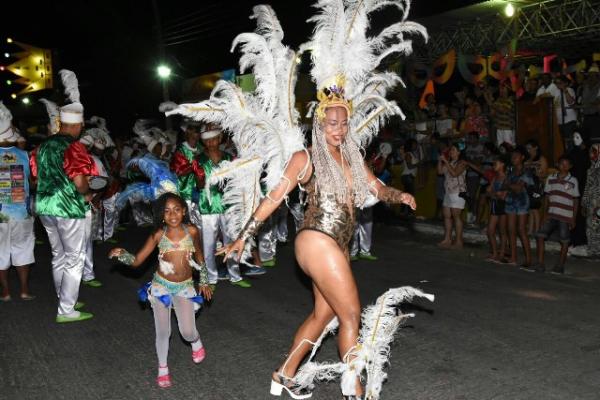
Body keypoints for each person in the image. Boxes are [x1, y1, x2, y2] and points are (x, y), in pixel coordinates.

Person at [109, 193, 212, 388]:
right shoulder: (158, 235)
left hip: (184, 287)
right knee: (163, 331)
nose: (172, 214)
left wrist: (204, 281)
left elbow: (200, 257)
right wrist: (123, 254)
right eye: (167, 211)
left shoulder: (192, 231)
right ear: (161, 215)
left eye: (176, 210)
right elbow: (137, 261)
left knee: (188, 332)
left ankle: (196, 341)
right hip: (161, 286)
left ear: (184, 211)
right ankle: (163, 368)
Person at [33, 70, 98, 323]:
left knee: (58, 255)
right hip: (68, 207)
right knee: (75, 258)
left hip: (45, 206)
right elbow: (80, 183)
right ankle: (67, 309)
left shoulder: (45, 144)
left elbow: (37, 176)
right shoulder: (74, 146)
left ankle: (64, 296)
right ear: (78, 124)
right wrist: (89, 192)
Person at [197, 126, 252, 288]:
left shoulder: (229, 157)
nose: (211, 142)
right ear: (204, 142)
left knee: (232, 240)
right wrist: (201, 179)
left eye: (214, 138)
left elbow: (237, 180)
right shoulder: (198, 159)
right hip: (208, 204)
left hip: (228, 204)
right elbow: (199, 184)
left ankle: (235, 274)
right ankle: (211, 278)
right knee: (208, 243)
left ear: (220, 139)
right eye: (207, 140)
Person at [0, 102, 35, 301]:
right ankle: (24, 290)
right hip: (22, 213)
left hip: (0, 215)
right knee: (23, 251)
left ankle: (5, 293)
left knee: (0, 252)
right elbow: (33, 182)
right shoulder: (24, 155)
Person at [527, 156, 579, 274]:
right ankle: (540, 264)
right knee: (540, 235)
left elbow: (576, 200)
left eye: (566, 164)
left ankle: (560, 265)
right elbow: (546, 197)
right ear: (557, 164)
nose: (564, 166)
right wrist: (545, 213)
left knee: (565, 241)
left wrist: (573, 218)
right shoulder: (551, 178)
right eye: (562, 164)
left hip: (565, 216)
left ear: (570, 166)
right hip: (551, 214)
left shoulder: (573, 180)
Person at [169, 119, 204, 233]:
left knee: (199, 218)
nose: (197, 134)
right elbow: (180, 171)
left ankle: (198, 243)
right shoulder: (181, 150)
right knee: (186, 219)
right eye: (194, 132)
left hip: (199, 189)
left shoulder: (201, 148)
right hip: (185, 191)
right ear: (188, 133)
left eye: (198, 132)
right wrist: (194, 165)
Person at [506, 146, 533, 267]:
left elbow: (518, 188)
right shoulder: (511, 171)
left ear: (522, 157)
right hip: (511, 201)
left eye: (516, 156)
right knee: (511, 230)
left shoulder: (526, 171)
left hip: (522, 202)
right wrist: (510, 185)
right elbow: (509, 186)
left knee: (521, 230)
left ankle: (528, 258)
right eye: (512, 157)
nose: (513, 158)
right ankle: (513, 257)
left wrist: (508, 185)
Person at [437, 143, 467, 249]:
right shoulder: (450, 162)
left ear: (459, 152)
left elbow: (455, 173)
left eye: (453, 150)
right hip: (448, 192)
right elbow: (440, 172)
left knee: (456, 217)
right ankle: (447, 239)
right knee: (447, 216)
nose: (451, 152)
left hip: (458, 192)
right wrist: (440, 160)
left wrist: (445, 161)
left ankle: (459, 241)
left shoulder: (462, 162)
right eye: (451, 150)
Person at [568, 132, 590, 250]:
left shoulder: (589, 154)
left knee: (583, 214)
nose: (575, 140)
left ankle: (582, 241)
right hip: (573, 187)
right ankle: (573, 239)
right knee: (573, 213)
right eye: (573, 137)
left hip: (586, 188)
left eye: (578, 137)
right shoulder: (572, 153)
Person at [485, 155, 509, 263]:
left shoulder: (506, 178)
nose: (494, 165)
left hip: (504, 206)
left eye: (496, 163)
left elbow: (503, 196)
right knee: (490, 230)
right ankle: (495, 253)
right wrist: (495, 194)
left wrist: (493, 193)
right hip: (495, 204)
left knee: (502, 231)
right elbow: (488, 192)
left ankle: (501, 254)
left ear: (503, 164)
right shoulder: (495, 177)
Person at [524, 139, 549, 235]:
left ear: (536, 147)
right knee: (530, 209)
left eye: (529, 148)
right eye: (527, 148)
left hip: (537, 186)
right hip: (528, 186)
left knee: (535, 208)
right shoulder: (527, 159)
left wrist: (535, 172)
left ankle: (537, 229)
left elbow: (544, 174)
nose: (528, 150)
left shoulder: (541, 159)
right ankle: (530, 230)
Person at [581, 143, 600, 256]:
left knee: (597, 227)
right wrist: (584, 204)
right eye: (590, 152)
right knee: (591, 226)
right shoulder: (591, 169)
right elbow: (587, 187)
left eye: (593, 152)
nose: (590, 154)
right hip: (591, 205)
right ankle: (593, 250)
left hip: (598, 205)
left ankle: (597, 250)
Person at [579, 64, 600, 144]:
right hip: (585, 117)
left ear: (598, 76)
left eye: (593, 75)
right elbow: (583, 100)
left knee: (595, 140)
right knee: (585, 140)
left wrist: (584, 105)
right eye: (589, 75)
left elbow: (597, 101)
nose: (591, 77)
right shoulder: (585, 86)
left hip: (596, 117)